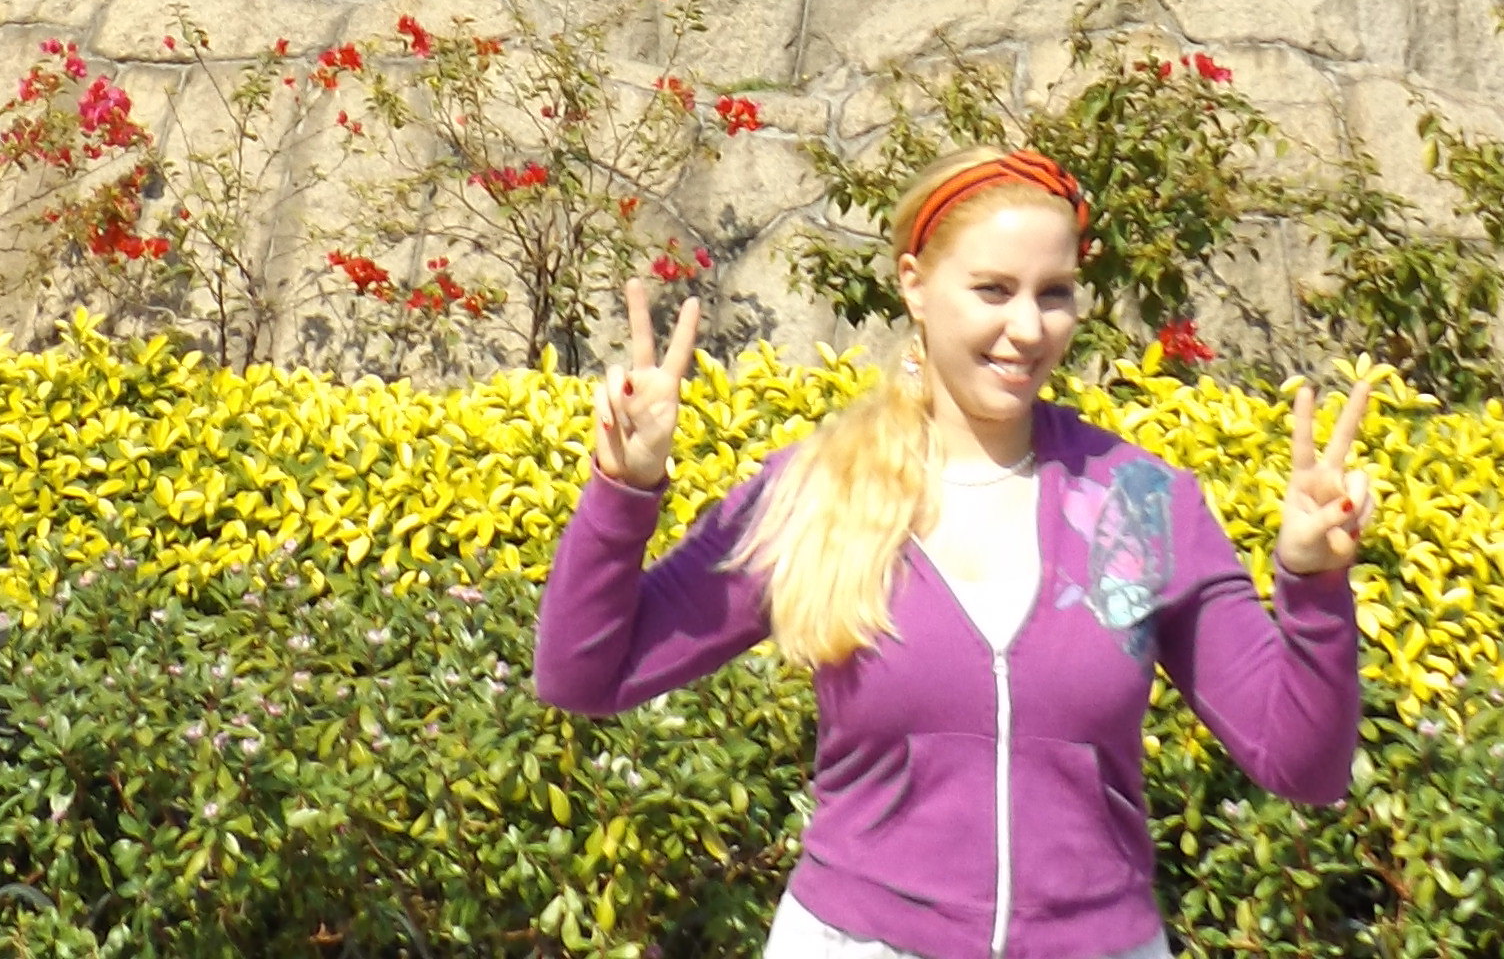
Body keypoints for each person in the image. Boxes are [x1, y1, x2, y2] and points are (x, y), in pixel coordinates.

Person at [532, 145, 1375, 959]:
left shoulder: (1140, 504)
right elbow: (585, 674)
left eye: (1055, 294)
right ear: (916, 284)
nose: (1026, 328)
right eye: (992, 289)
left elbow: (1301, 764)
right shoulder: (821, 488)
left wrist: (1311, 580)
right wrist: (624, 487)